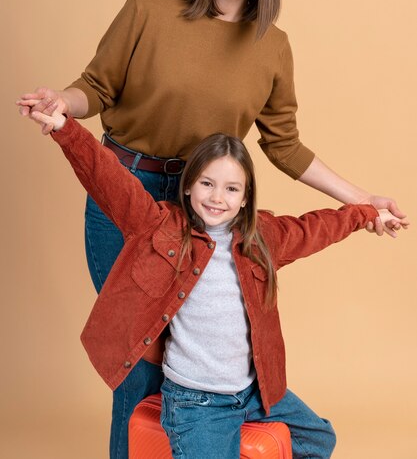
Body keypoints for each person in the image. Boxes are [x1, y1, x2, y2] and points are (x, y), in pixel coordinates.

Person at [17, 0, 407, 459]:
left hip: (206, 202)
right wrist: (62, 106)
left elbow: (286, 145)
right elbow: (94, 88)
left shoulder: (273, 46)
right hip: (126, 195)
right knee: (141, 359)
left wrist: (365, 200)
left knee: (197, 355)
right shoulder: (148, 8)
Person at [21, 100, 407, 459]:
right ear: (188, 185)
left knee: (319, 438)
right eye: (207, 183)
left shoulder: (262, 239)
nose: (217, 197)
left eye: (231, 188)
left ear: (245, 197)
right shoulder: (160, 227)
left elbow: (317, 227)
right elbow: (109, 180)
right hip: (196, 404)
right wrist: (63, 128)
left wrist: (366, 214)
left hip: (254, 394)